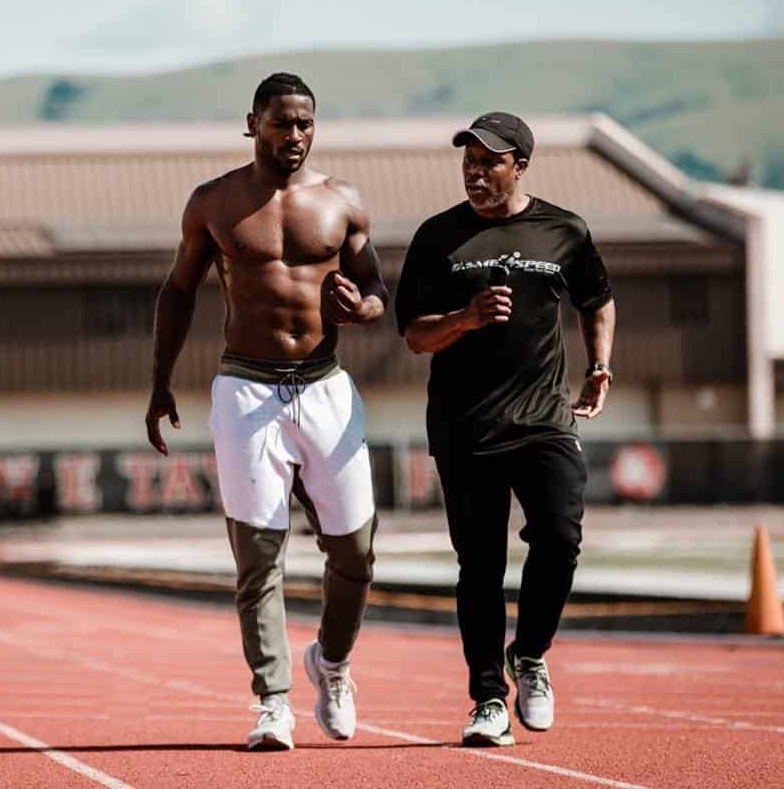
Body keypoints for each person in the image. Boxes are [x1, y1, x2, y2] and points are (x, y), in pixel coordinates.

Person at [146, 72, 388, 751]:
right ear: (252, 124)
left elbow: (375, 289)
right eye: (281, 122)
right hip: (245, 388)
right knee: (258, 556)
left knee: (357, 553)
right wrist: (159, 382)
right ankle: (272, 699)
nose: (295, 135)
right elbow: (178, 291)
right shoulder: (213, 202)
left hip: (324, 386)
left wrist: (363, 309)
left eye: (306, 123)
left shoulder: (341, 202)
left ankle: (332, 665)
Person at [395, 112, 615, 747]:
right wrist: (465, 318)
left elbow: (596, 298)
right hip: (465, 428)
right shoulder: (437, 238)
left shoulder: (564, 230)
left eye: (489, 161)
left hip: (544, 418)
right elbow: (413, 336)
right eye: (468, 160)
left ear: (520, 166)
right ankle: (488, 699)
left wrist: (599, 364)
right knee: (480, 567)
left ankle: (532, 655)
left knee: (560, 537)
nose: (475, 171)